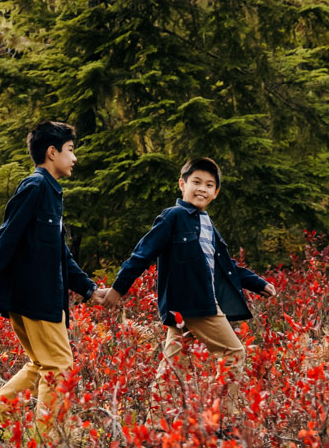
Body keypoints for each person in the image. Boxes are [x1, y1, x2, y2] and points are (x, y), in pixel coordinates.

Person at [0, 121, 112, 444]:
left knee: (42, 364)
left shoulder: (50, 192)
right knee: (59, 365)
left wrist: (88, 289)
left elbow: (58, 253)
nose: (74, 158)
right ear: (51, 152)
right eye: (70, 151)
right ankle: (46, 447)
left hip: (41, 296)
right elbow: (7, 236)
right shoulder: (35, 187)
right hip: (36, 297)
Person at [101, 157, 274, 386]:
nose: (202, 189)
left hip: (191, 305)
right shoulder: (173, 216)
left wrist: (258, 283)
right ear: (182, 185)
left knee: (175, 366)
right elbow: (142, 254)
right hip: (196, 303)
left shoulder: (208, 224)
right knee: (234, 353)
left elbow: (226, 266)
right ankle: (219, 416)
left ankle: (160, 416)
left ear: (216, 192)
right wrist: (118, 289)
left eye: (209, 185)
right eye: (196, 182)